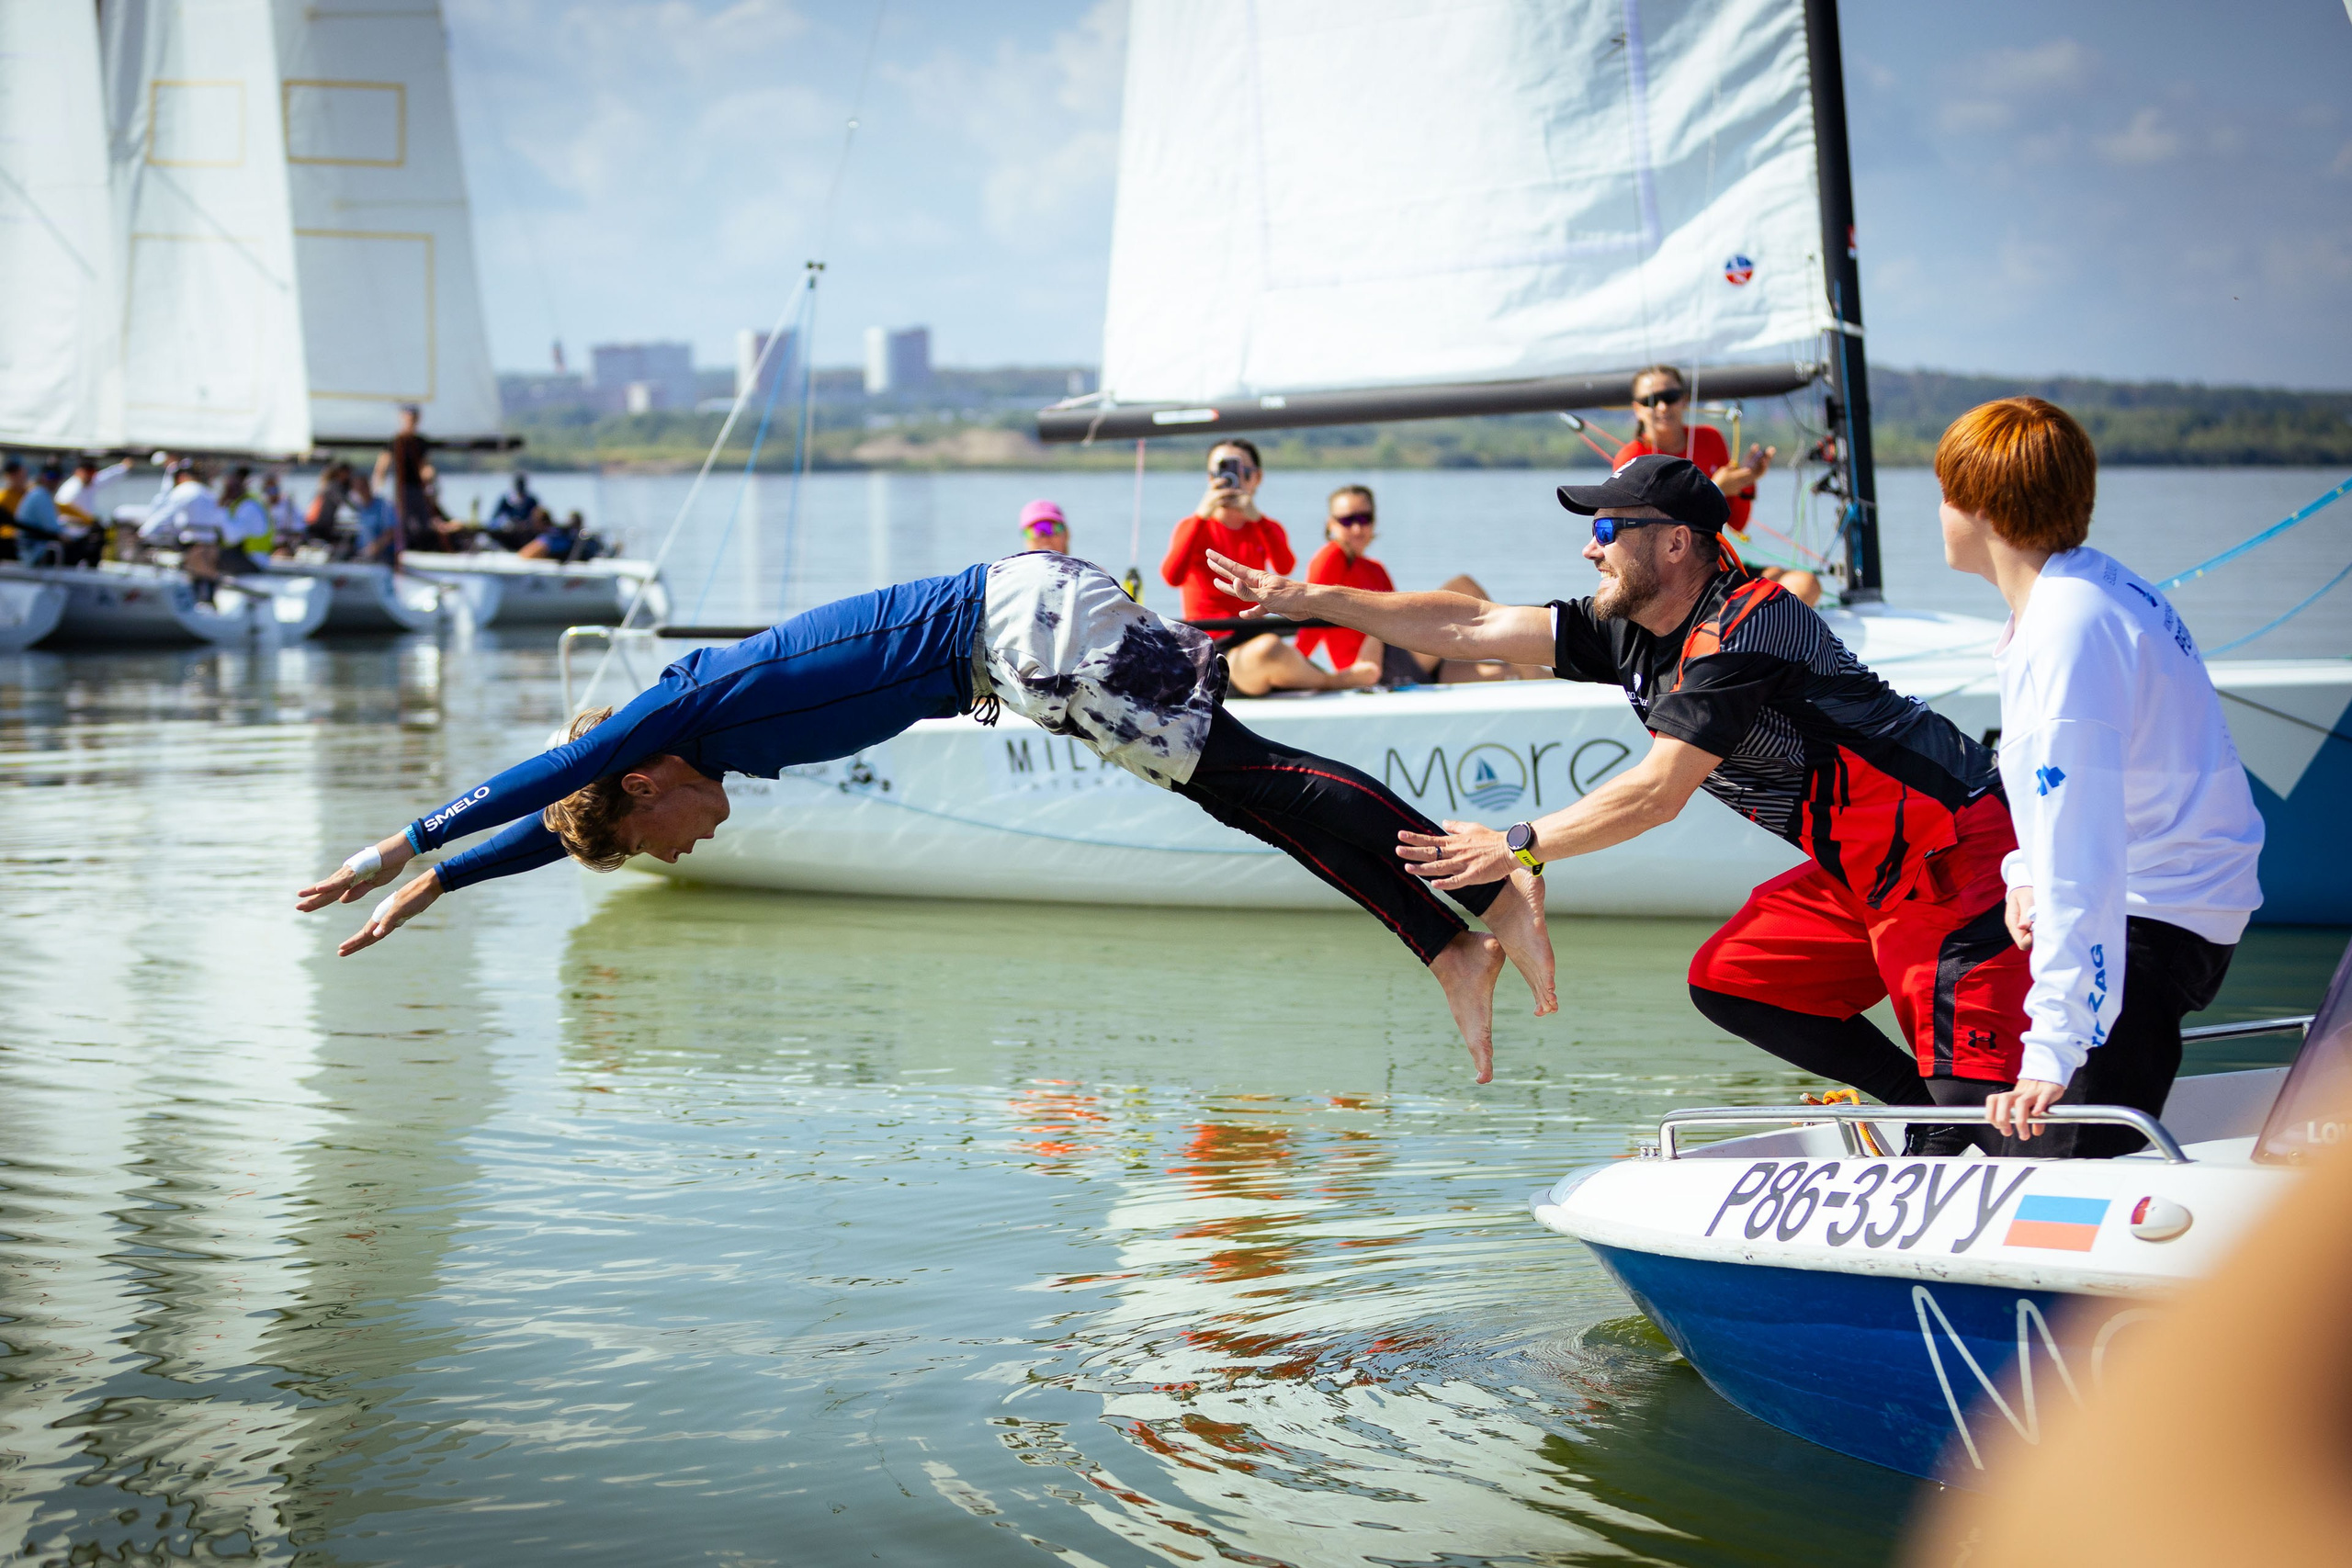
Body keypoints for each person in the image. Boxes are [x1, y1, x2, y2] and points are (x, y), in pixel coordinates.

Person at [297, 551, 1558, 1078]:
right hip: (1010, 649)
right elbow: (559, 819)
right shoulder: (665, 759)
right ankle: (1451, 942)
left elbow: (534, 782)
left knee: (1246, 775)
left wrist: (398, 843)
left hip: (1014, 626)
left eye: (662, 836)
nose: (693, 842)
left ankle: (1487, 897)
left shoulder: (682, 706)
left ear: (644, 780)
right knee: (1243, 792)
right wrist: (450, 885)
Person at [1208, 455, 2035, 1145]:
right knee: (1736, 978)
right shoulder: (1634, 623)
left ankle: (1954, 1127)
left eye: (1607, 529)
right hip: (1866, 871)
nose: (1588, 549)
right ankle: (1922, 1111)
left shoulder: (1744, 630)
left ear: (1676, 543)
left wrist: (1518, 844)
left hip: (1954, 859)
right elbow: (1472, 625)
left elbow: (1656, 792)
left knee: (1978, 1135)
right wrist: (1312, 598)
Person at [1933, 399, 2264, 1158]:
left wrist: (2052, 1049)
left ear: (1981, 507)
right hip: (2165, 904)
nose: (1941, 512)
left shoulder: (2064, 633)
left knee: (2060, 1178)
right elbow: (2070, 808)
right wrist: (2023, 875)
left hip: (2147, 921)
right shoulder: (2087, 591)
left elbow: (2083, 856)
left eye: (1946, 493)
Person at [1161, 440, 1370, 696]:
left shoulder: (1265, 526)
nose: (1230, 480)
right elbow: (1172, 576)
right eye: (1221, 473)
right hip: (1214, 648)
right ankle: (1336, 681)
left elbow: (1285, 565)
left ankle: (1318, 676)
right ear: (1209, 478)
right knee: (1268, 650)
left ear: (1256, 478)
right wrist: (1202, 514)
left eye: (1241, 472)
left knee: (1269, 647)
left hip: (1255, 634)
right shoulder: (1192, 526)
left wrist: (1257, 519)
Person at [1614, 366, 1820, 607]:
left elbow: (1737, 523)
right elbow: (1644, 529)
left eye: (1670, 398)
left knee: (1806, 585)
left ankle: (1753, 627)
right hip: (1667, 574)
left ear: (1684, 400)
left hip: (1715, 565)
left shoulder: (1710, 439)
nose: (1662, 407)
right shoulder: (1631, 458)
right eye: (1651, 400)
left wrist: (1745, 482)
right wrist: (1715, 489)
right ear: (1637, 409)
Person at [1298, 485, 1546, 685]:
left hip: (1405, 662)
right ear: (1330, 524)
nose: (1357, 527)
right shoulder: (1332, 555)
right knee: (1463, 585)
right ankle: (1526, 654)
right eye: (1347, 520)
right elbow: (1309, 613)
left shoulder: (1376, 569)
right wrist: (1300, 668)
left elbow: (1393, 617)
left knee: (1509, 671)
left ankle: (1564, 678)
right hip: (1374, 669)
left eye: (1365, 518)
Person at [373, 404, 439, 550]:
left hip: (419, 489)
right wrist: (378, 490)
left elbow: (426, 466)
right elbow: (381, 467)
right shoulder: (395, 442)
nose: (411, 422)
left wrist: (430, 479)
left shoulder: (421, 442)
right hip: (402, 490)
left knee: (424, 522)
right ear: (402, 419)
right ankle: (403, 548)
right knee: (403, 522)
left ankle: (425, 548)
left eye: (413, 419)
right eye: (408, 418)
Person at [56, 456, 132, 568]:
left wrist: (123, 467)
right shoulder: (70, 490)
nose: (90, 476)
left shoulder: (91, 483)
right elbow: (60, 514)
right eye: (88, 472)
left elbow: (108, 477)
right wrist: (84, 522)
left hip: (85, 533)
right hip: (70, 536)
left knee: (98, 542)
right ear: (78, 472)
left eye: (93, 472)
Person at [9, 464, 68, 566]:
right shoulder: (40, 495)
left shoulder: (40, 494)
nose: (54, 480)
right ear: (42, 477)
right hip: (33, 554)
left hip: (31, 549)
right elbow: (53, 529)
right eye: (51, 476)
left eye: (58, 477)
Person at [348, 473, 400, 566]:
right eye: (357, 488)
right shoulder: (359, 508)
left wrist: (371, 550)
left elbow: (390, 533)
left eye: (362, 487)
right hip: (361, 556)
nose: (360, 491)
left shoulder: (384, 506)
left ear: (368, 487)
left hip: (382, 557)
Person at [489, 472, 543, 547]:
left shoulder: (531, 501)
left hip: (527, 535)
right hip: (507, 534)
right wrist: (506, 523)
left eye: (522, 485)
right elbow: (494, 520)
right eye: (518, 484)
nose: (520, 487)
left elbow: (539, 518)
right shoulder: (505, 500)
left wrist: (526, 524)